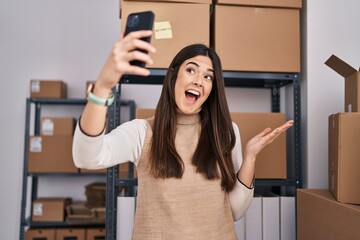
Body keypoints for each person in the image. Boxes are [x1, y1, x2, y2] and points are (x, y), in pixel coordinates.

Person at [72, 30, 294, 239]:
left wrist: (251, 157)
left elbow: (235, 210)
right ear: (173, 75)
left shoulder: (225, 132)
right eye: (191, 69)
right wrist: (101, 89)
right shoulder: (142, 132)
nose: (199, 80)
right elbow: (86, 158)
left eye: (208, 77)